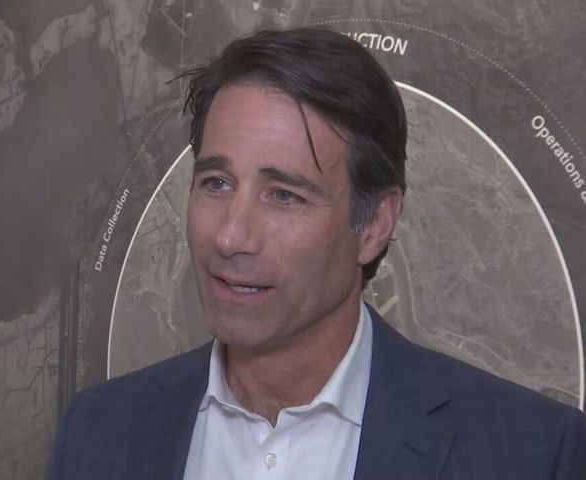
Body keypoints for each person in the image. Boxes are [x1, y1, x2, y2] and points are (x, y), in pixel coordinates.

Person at [46, 27, 586, 480]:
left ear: (374, 224)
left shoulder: (530, 455)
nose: (231, 236)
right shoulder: (99, 434)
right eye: (216, 183)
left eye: (284, 195)